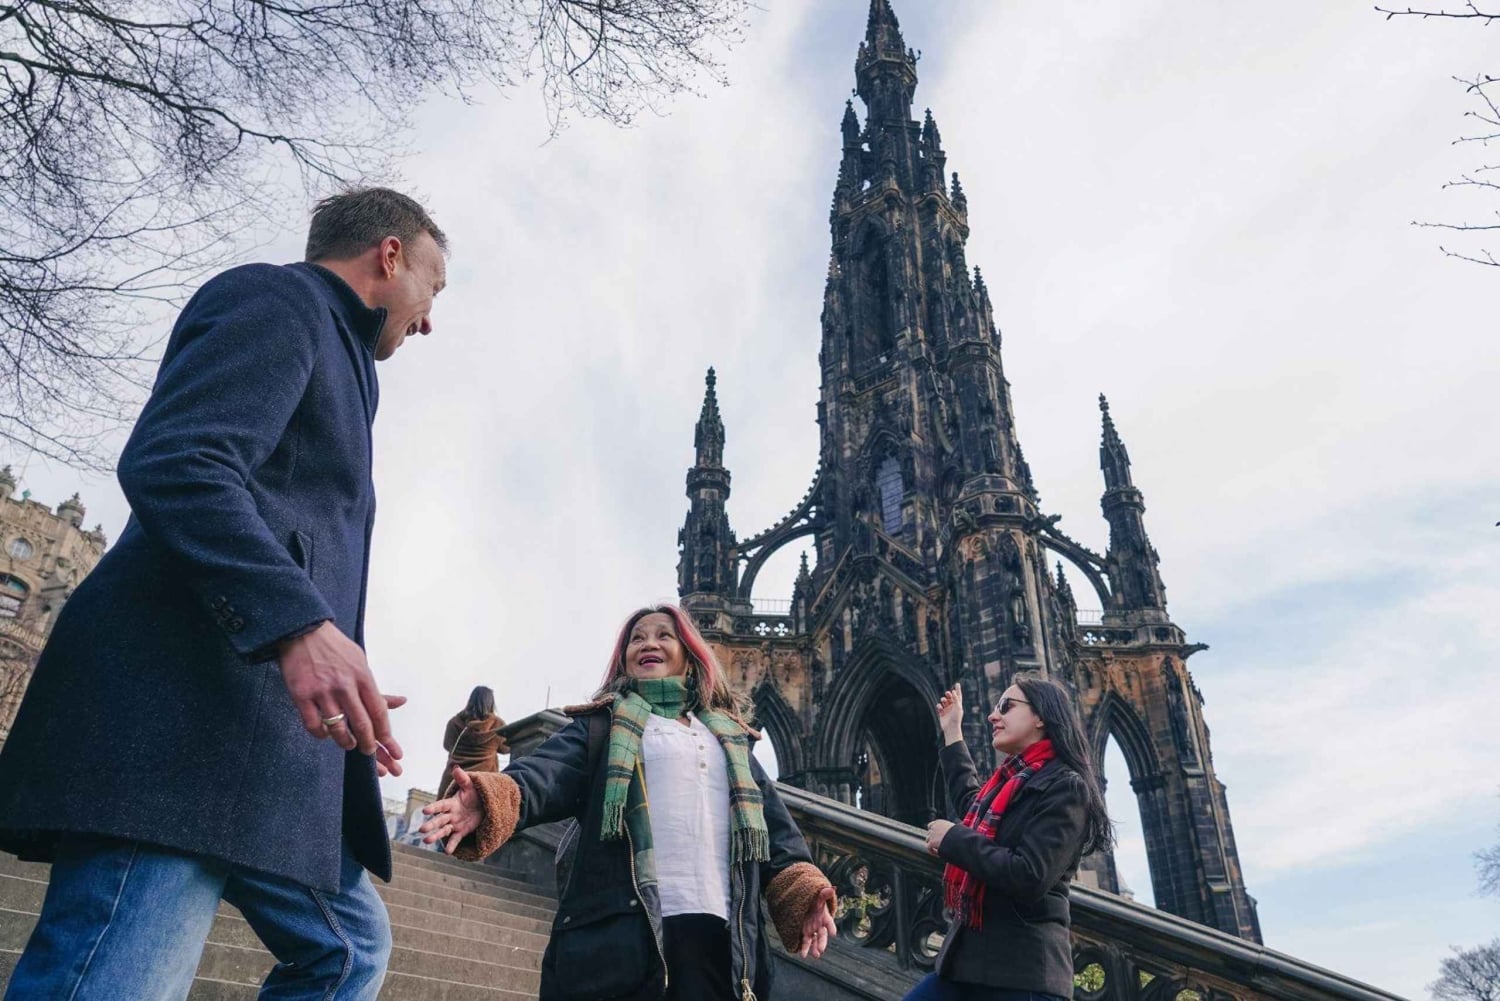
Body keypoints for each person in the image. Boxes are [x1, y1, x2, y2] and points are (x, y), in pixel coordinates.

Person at [0, 187, 449, 1000]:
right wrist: (299, 626)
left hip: (261, 744)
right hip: (177, 728)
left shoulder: (346, 364)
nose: (429, 321)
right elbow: (178, 461)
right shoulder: (280, 300)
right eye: (433, 286)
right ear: (390, 255)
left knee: (349, 948)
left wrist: (335, 669)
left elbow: (288, 530)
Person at [420, 603, 839, 1001]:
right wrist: (488, 799)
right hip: (623, 935)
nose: (648, 643)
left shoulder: (730, 739)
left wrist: (804, 893)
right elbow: (543, 775)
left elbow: (775, 833)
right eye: (637, 638)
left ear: (690, 655)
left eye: (663, 635)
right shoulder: (602, 725)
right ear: (624, 659)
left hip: (721, 938)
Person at [905, 674, 1113, 1001]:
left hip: (1021, 977)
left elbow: (1029, 874)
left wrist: (954, 839)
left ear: (1041, 716)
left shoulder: (1067, 787)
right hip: (966, 968)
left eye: (1006, 706)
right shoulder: (1011, 780)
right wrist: (952, 731)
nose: (992, 715)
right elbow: (972, 803)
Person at [438, 685, 509, 798]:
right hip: (481, 783)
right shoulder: (497, 724)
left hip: (452, 780)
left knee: (444, 808)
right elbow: (506, 749)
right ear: (490, 703)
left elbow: (447, 745)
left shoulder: (454, 722)